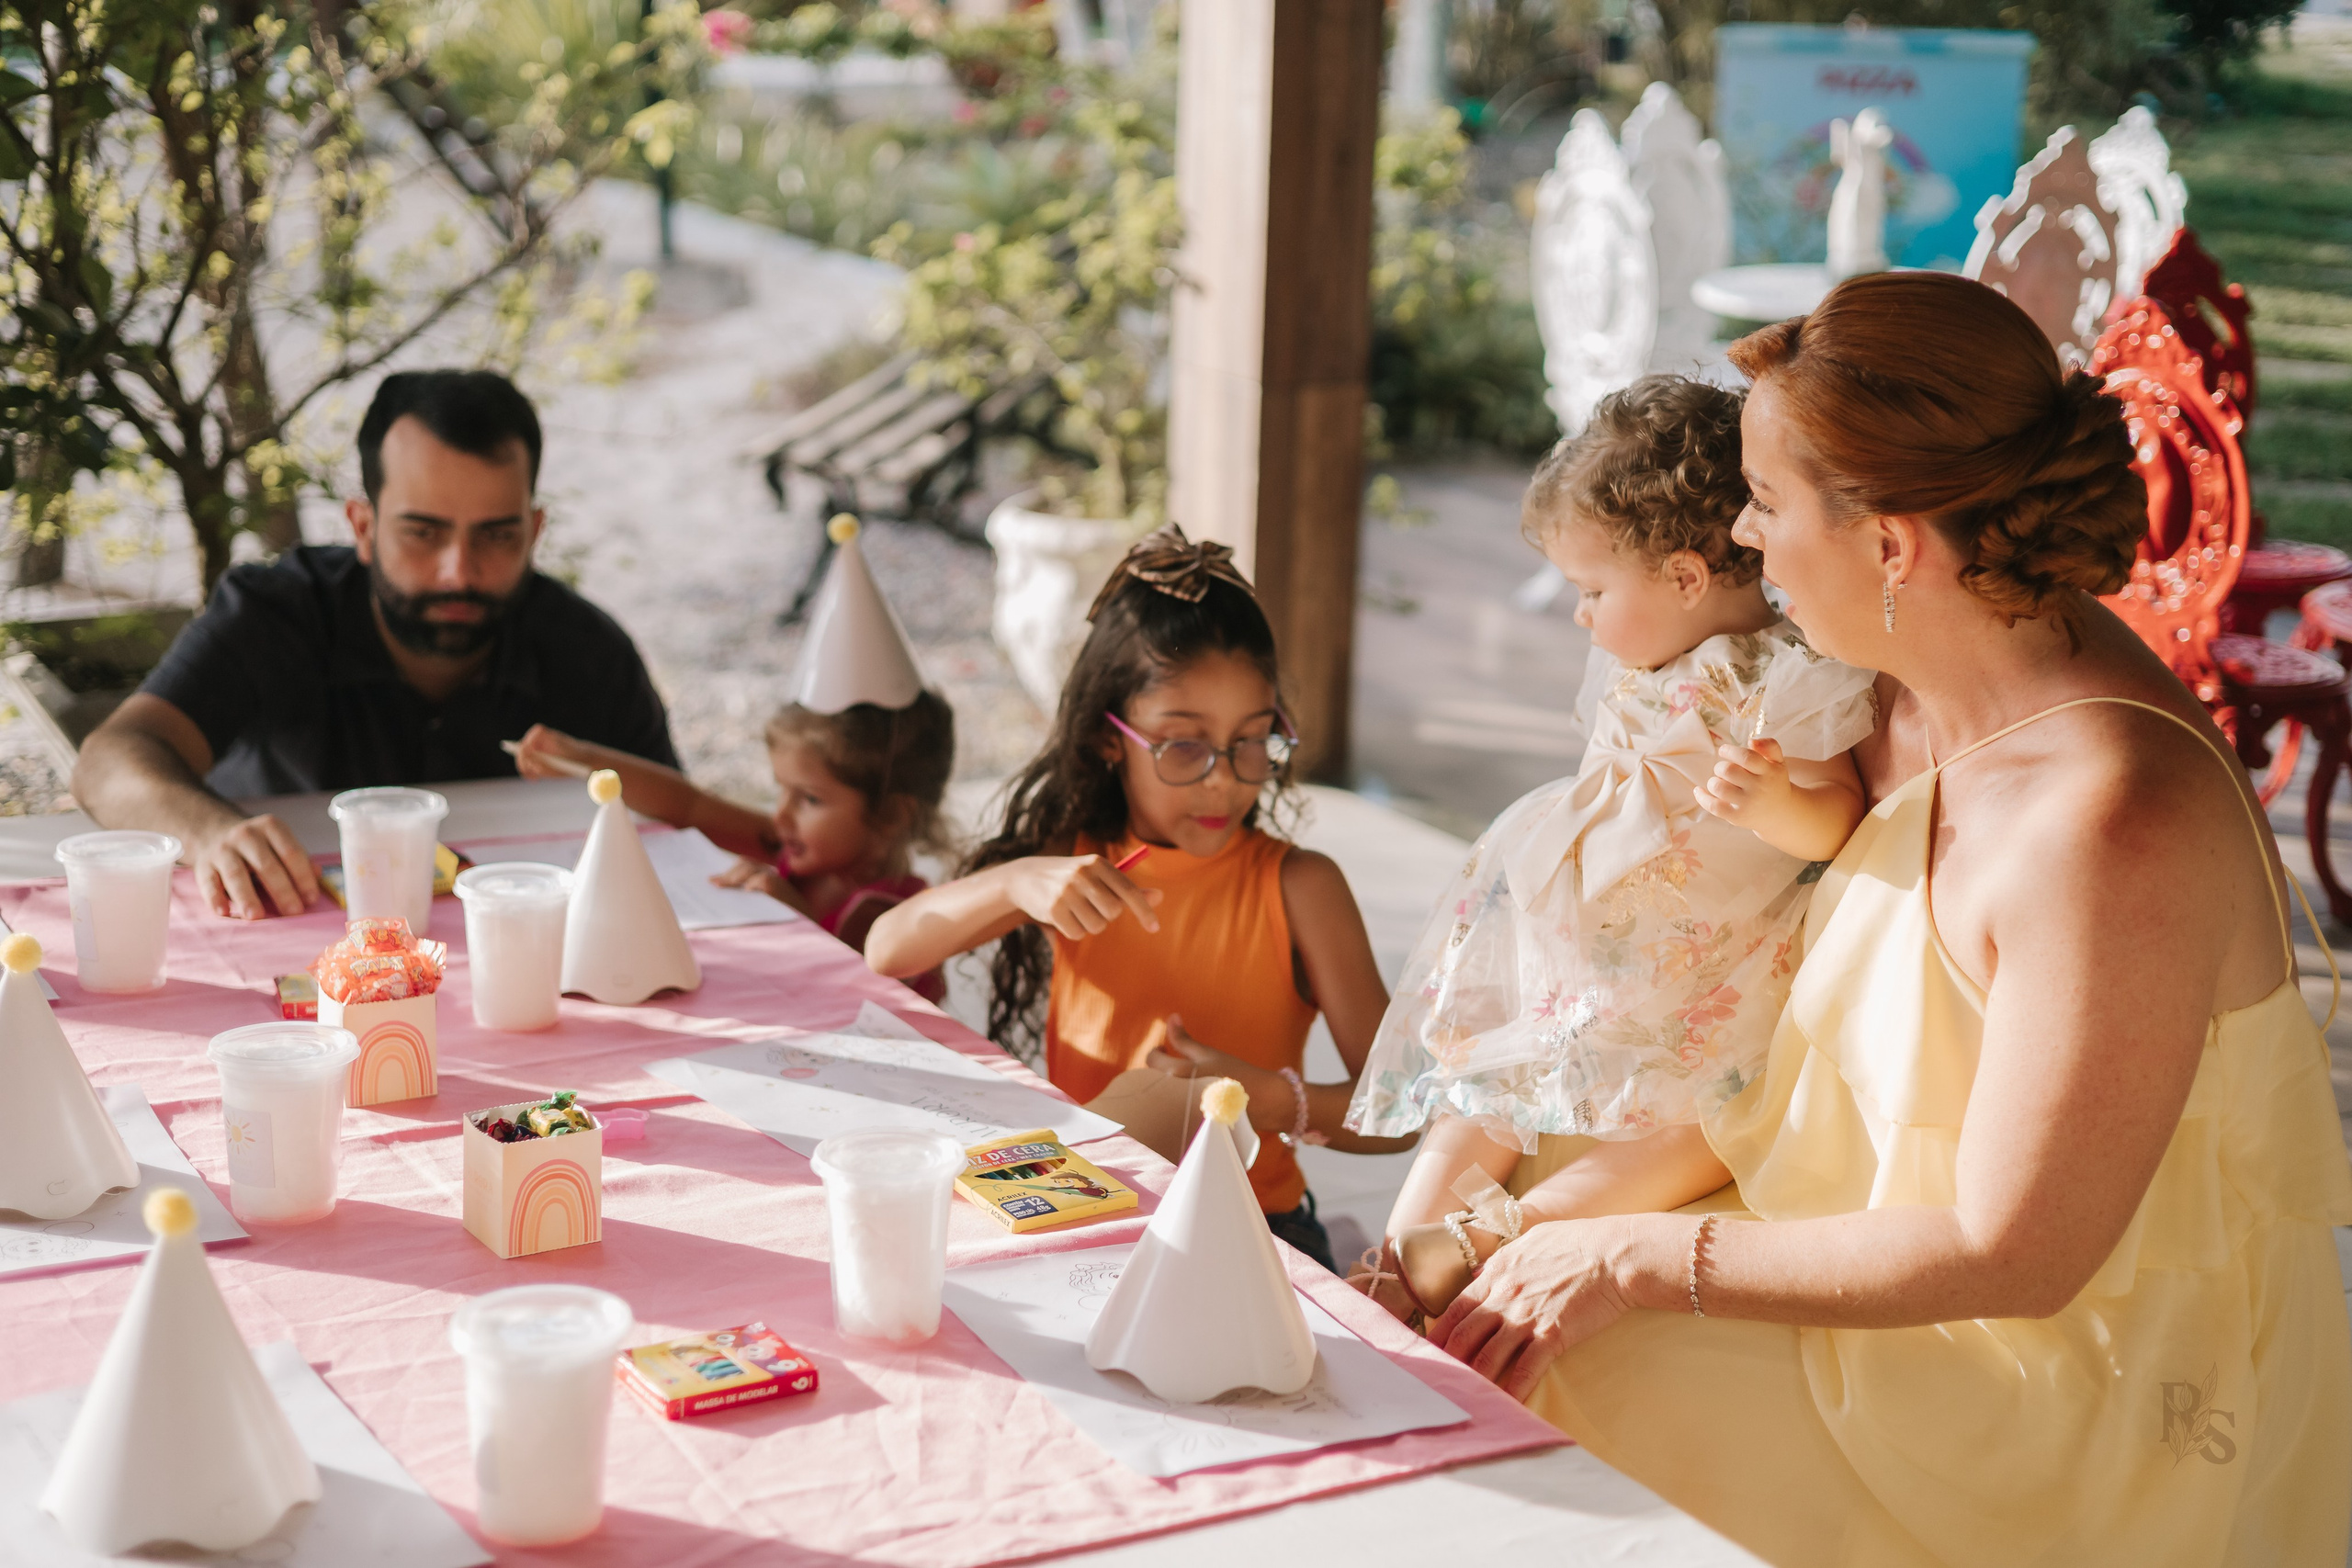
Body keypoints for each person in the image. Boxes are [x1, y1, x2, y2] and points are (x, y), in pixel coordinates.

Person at [1425, 272, 2352, 1564]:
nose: (1743, 542)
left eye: (1764, 503)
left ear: (1892, 542)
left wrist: (1636, 1253)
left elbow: (2015, 1252)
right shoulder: (1892, 686)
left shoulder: (2107, 827)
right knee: (1494, 1287)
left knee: (1558, 1402)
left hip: (2057, 1380)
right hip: (1855, 1216)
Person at [1343, 376, 1875, 1325]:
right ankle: (1399, 1249)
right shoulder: (1641, 659)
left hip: (1708, 965)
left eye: (1592, 591)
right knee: (1489, 1069)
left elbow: (1836, 814)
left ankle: (1494, 1232)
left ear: (1681, 578)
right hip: (1593, 945)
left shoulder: (1786, 682)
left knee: (1709, 1125)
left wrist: (1773, 802)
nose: (1581, 617)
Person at [864, 526, 1413, 1271]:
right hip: (1085, 1218)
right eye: (1184, 746)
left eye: (1251, 740)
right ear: (1107, 737)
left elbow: (1399, 1113)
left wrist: (1272, 1101)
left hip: (1257, 1233)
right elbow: (886, 949)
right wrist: (1013, 879)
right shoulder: (1076, 863)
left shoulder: (1300, 888)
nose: (1223, 779)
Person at [74, 370, 678, 921]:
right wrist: (209, 832)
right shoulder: (276, 612)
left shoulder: (587, 649)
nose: (457, 572)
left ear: (534, 532)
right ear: (363, 527)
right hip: (280, 944)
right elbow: (108, 761)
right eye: (423, 532)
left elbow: (677, 833)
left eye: (497, 535)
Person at [517, 693, 957, 1003]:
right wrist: (583, 758)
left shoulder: (896, 912)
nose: (781, 816)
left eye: (810, 799)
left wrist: (796, 917)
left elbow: (863, 1005)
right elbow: (689, 806)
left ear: (893, 815)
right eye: (781, 791)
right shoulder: (795, 847)